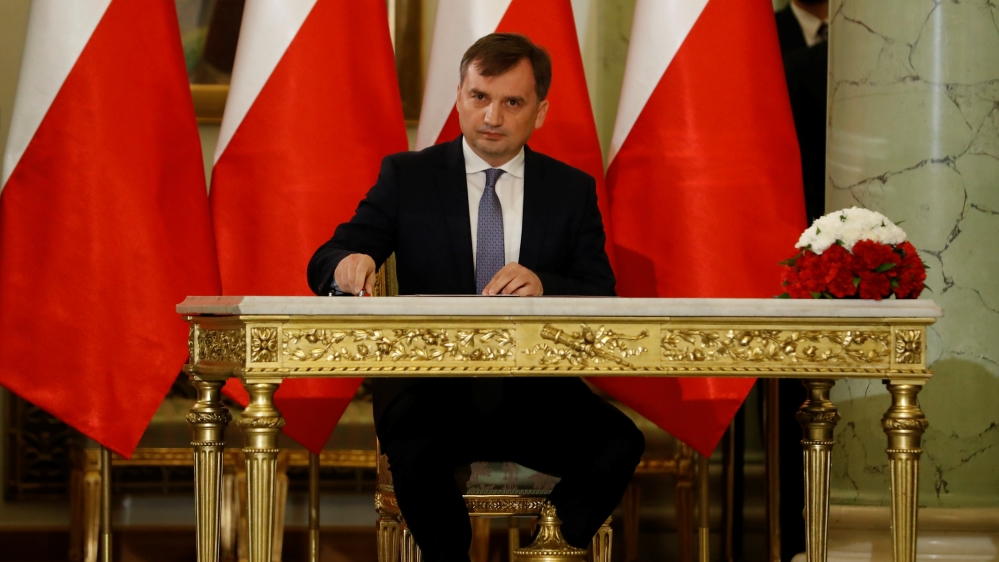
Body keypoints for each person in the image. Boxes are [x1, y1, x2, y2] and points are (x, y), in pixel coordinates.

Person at [307, 33, 645, 562]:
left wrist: (545, 284)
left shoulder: (569, 189)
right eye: (479, 97)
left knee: (619, 443)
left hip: (535, 392)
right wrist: (346, 266)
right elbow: (333, 253)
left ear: (540, 111)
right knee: (417, 453)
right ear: (460, 96)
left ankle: (545, 552)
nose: (492, 115)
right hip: (432, 393)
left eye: (513, 102)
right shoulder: (409, 177)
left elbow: (599, 289)